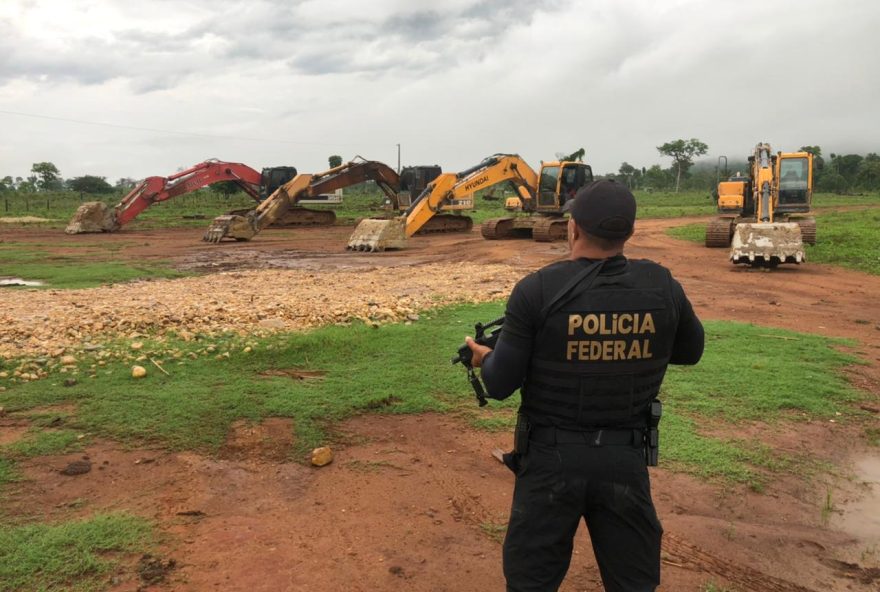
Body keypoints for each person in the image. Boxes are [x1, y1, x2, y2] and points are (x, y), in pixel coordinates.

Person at [465, 180, 704, 592]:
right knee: (633, 582)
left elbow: (501, 384)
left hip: (548, 461)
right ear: (629, 233)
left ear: (573, 228)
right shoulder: (662, 284)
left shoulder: (536, 290)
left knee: (531, 581)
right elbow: (689, 352)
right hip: (624, 459)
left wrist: (485, 357)